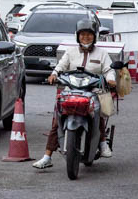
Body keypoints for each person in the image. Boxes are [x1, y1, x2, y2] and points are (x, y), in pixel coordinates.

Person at [32, 18, 116, 169]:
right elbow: (60, 66)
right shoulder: (70, 52)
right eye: (82, 34)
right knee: (56, 120)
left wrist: (111, 80)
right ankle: (47, 156)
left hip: (93, 91)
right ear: (77, 36)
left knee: (99, 112)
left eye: (89, 34)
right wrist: (53, 75)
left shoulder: (102, 54)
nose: (85, 37)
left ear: (94, 36)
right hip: (70, 91)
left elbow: (109, 70)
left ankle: (103, 144)